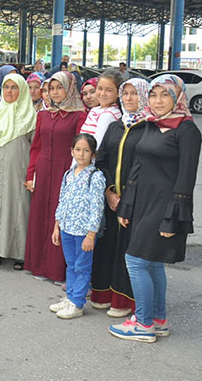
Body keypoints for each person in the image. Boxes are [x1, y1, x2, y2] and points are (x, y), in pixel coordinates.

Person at [110, 74, 201, 343]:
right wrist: (126, 206)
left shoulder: (187, 131)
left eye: (164, 95)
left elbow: (186, 179)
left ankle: (144, 322)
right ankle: (158, 320)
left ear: (177, 97)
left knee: (136, 261)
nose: (158, 101)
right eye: (153, 95)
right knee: (152, 264)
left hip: (165, 207)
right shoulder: (150, 123)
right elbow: (137, 170)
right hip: (142, 204)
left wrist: (174, 219)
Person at [91, 78, 150, 318]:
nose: (128, 98)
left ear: (143, 97)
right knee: (106, 246)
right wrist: (109, 191)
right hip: (111, 197)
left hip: (135, 200)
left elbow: (146, 166)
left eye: (134, 94)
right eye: (125, 93)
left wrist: (126, 197)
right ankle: (103, 293)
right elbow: (101, 159)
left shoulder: (149, 127)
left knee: (127, 249)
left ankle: (123, 299)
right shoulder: (116, 126)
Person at [24, 71, 88, 283]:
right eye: (51, 89)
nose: (55, 92)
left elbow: (81, 147)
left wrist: (76, 175)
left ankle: (58, 270)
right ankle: (39, 266)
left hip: (64, 171)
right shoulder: (44, 115)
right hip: (43, 171)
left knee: (60, 219)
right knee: (41, 216)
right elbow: (36, 147)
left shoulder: (79, 115)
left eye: (59, 88)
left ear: (69, 88)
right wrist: (31, 174)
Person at [0, 74, 36, 269]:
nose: (9, 91)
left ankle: (19, 252)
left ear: (22, 90)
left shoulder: (30, 116)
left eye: (14, 87)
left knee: (17, 206)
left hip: (18, 169)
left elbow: (35, 147)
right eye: (6, 87)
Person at [48, 133, 106, 319]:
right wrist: (57, 226)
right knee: (71, 265)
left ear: (93, 154)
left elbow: (97, 207)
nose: (81, 154)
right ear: (72, 151)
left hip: (83, 232)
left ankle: (78, 303)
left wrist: (91, 235)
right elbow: (62, 200)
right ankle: (70, 297)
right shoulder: (68, 174)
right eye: (78, 149)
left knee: (82, 267)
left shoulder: (95, 177)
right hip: (67, 228)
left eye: (86, 150)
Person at [80, 69, 123, 148]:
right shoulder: (95, 110)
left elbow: (97, 147)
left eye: (108, 90)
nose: (102, 93)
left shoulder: (109, 114)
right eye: (99, 88)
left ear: (118, 93)